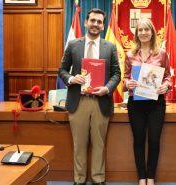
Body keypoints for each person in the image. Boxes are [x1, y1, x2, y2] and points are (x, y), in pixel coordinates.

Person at [58, 8, 121, 185]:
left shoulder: (110, 47)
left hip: (101, 101)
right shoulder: (73, 45)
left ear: (103, 26)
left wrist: (107, 89)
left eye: (99, 22)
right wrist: (71, 78)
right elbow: (62, 70)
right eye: (92, 20)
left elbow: (117, 74)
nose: (95, 24)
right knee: (79, 144)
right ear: (86, 23)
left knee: (99, 144)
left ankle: (98, 179)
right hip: (78, 101)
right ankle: (79, 179)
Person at [123, 18, 171, 185]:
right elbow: (125, 78)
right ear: (136, 33)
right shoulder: (130, 54)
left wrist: (166, 85)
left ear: (152, 32)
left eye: (146, 29)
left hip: (156, 104)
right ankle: (141, 177)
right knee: (138, 140)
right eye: (140, 30)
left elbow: (168, 77)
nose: (143, 33)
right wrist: (127, 83)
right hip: (136, 104)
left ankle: (151, 177)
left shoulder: (162, 54)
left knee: (154, 140)